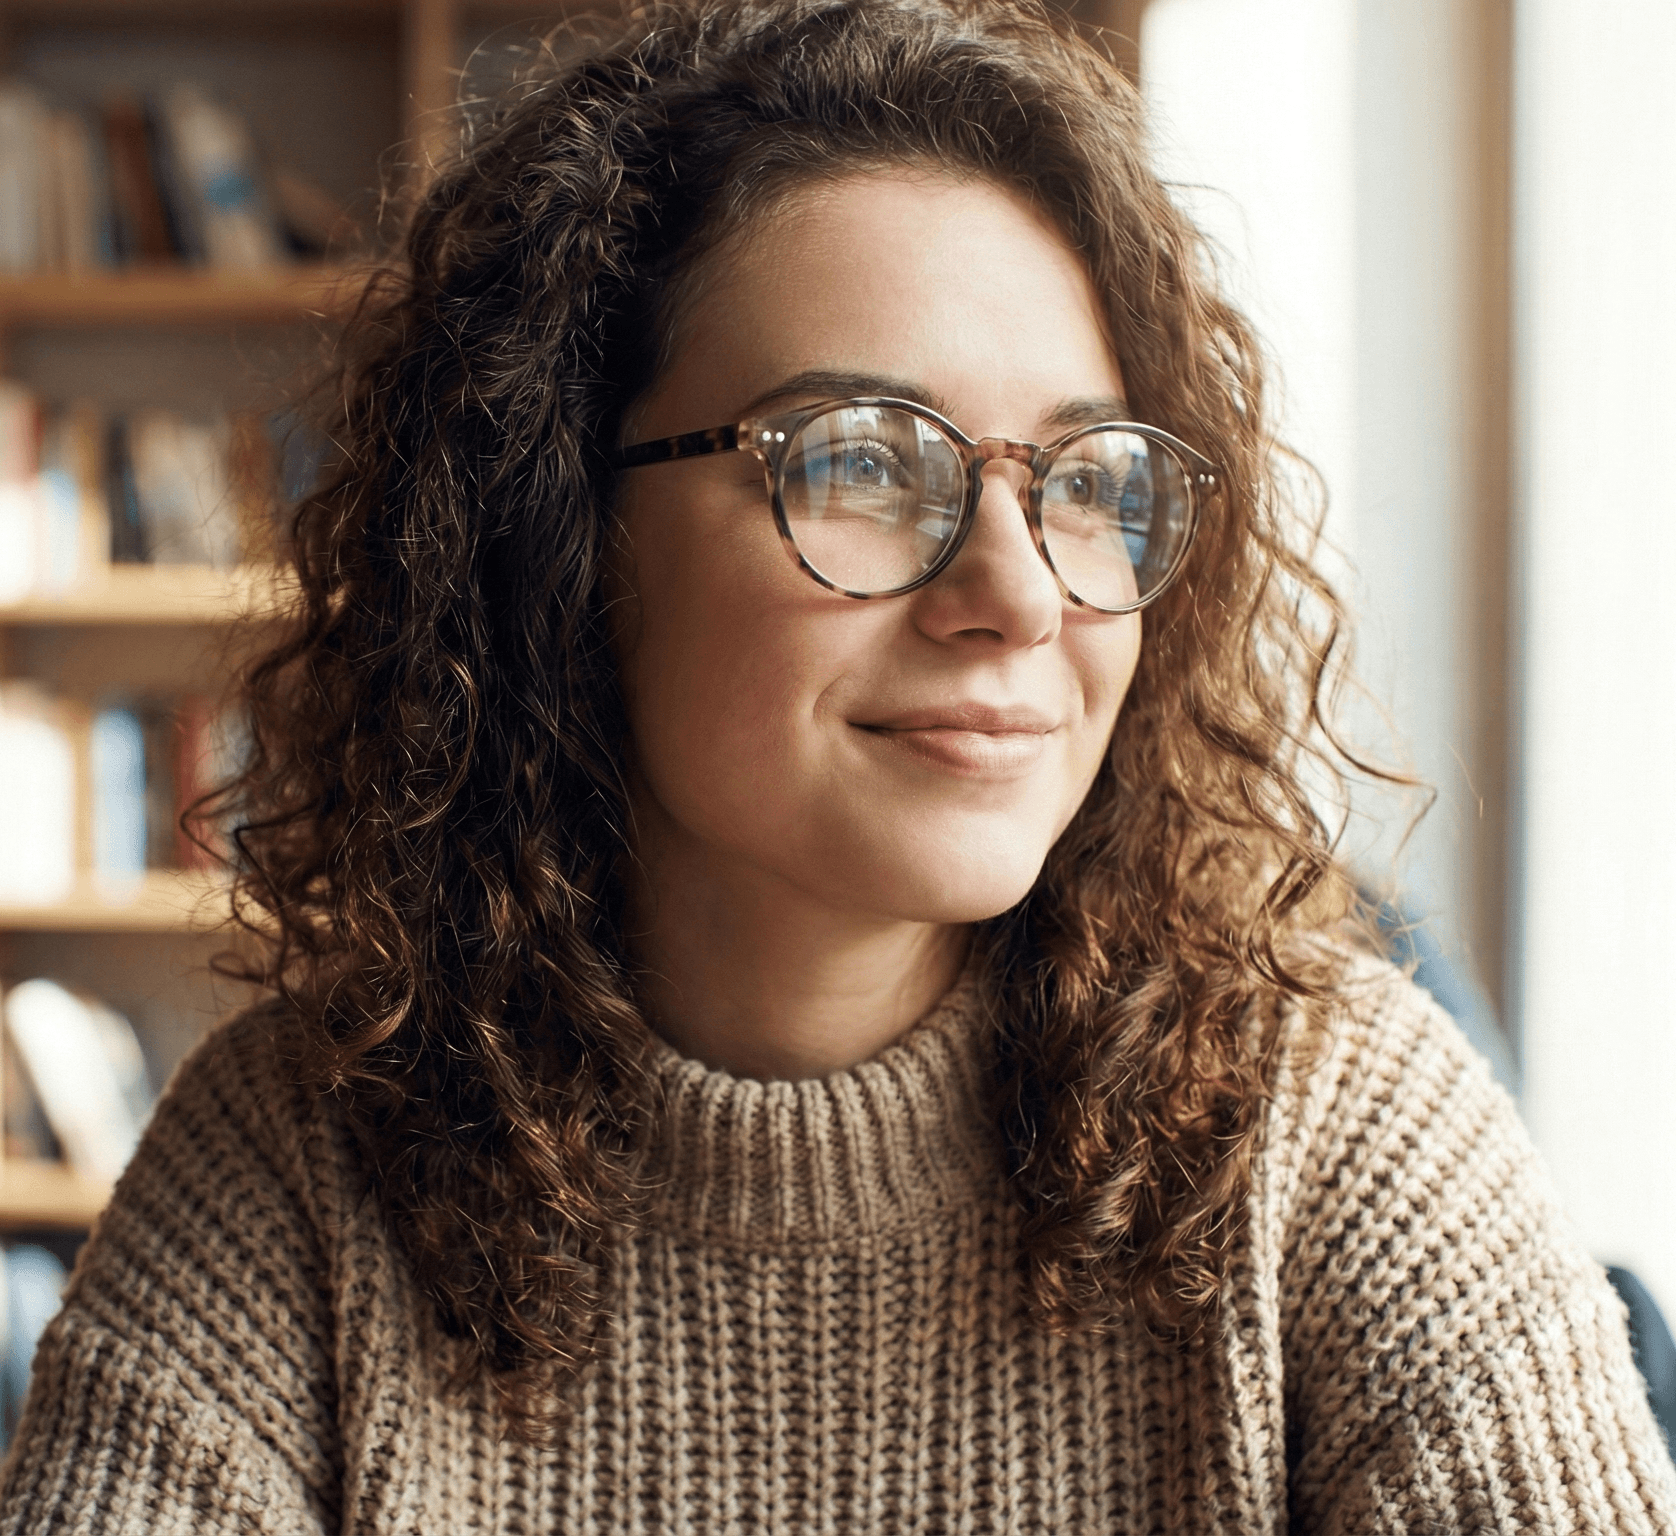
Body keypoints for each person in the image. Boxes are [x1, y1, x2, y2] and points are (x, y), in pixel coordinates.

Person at [4, 2, 1672, 1530]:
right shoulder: (306, 1165)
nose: (1021, 591)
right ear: (564, 535)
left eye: (1088, 477)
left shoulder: (1321, 1122)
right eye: (866, 461)